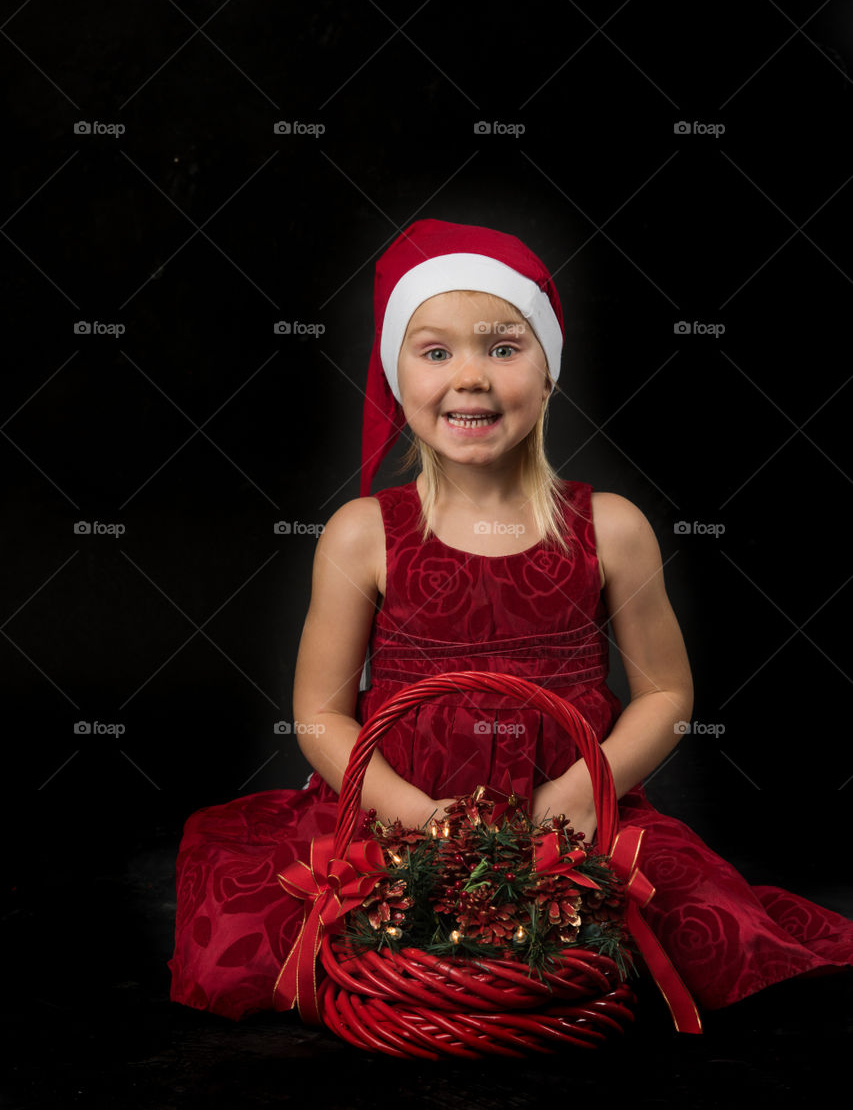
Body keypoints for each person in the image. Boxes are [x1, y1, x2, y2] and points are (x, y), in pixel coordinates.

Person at [168, 218, 853, 1025]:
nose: (471, 378)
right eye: (435, 352)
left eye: (502, 348)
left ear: (549, 371)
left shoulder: (613, 529)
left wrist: (579, 790)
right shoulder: (361, 534)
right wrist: (416, 816)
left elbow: (665, 693)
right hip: (399, 811)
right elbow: (319, 712)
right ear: (395, 375)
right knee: (332, 916)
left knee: (673, 916)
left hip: (568, 816)